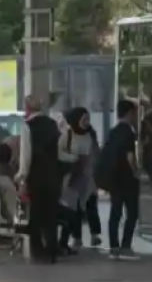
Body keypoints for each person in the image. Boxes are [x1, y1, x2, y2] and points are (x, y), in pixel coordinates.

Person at [17, 95, 63, 263]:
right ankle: (52, 250)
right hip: (53, 176)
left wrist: (22, 178)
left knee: (35, 215)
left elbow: (25, 157)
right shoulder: (53, 125)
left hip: (36, 177)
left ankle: (38, 251)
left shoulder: (27, 127)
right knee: (50, 216)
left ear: (27, 108)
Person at [96, 99, 141, 260]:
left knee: (115, 213)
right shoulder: (129, 133)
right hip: (127, 179)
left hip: (114, 179)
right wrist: (136, 172)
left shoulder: (112, 132)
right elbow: (130, 157)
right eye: (134, 113)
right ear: (129, 113)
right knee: (132, 213)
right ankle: (125, 245)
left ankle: (114, 246)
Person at [57, 107, 98, 253]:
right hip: (72, 178)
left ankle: (87, 235)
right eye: (83, 119)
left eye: (88, 119)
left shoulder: (91, 134)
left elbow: (95, 154)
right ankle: (72, 238)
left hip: (87, 177)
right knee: (71, 209)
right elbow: (59, 152)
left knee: (86, 206)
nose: (86, 122)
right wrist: (73, 159)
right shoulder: (67, 134)